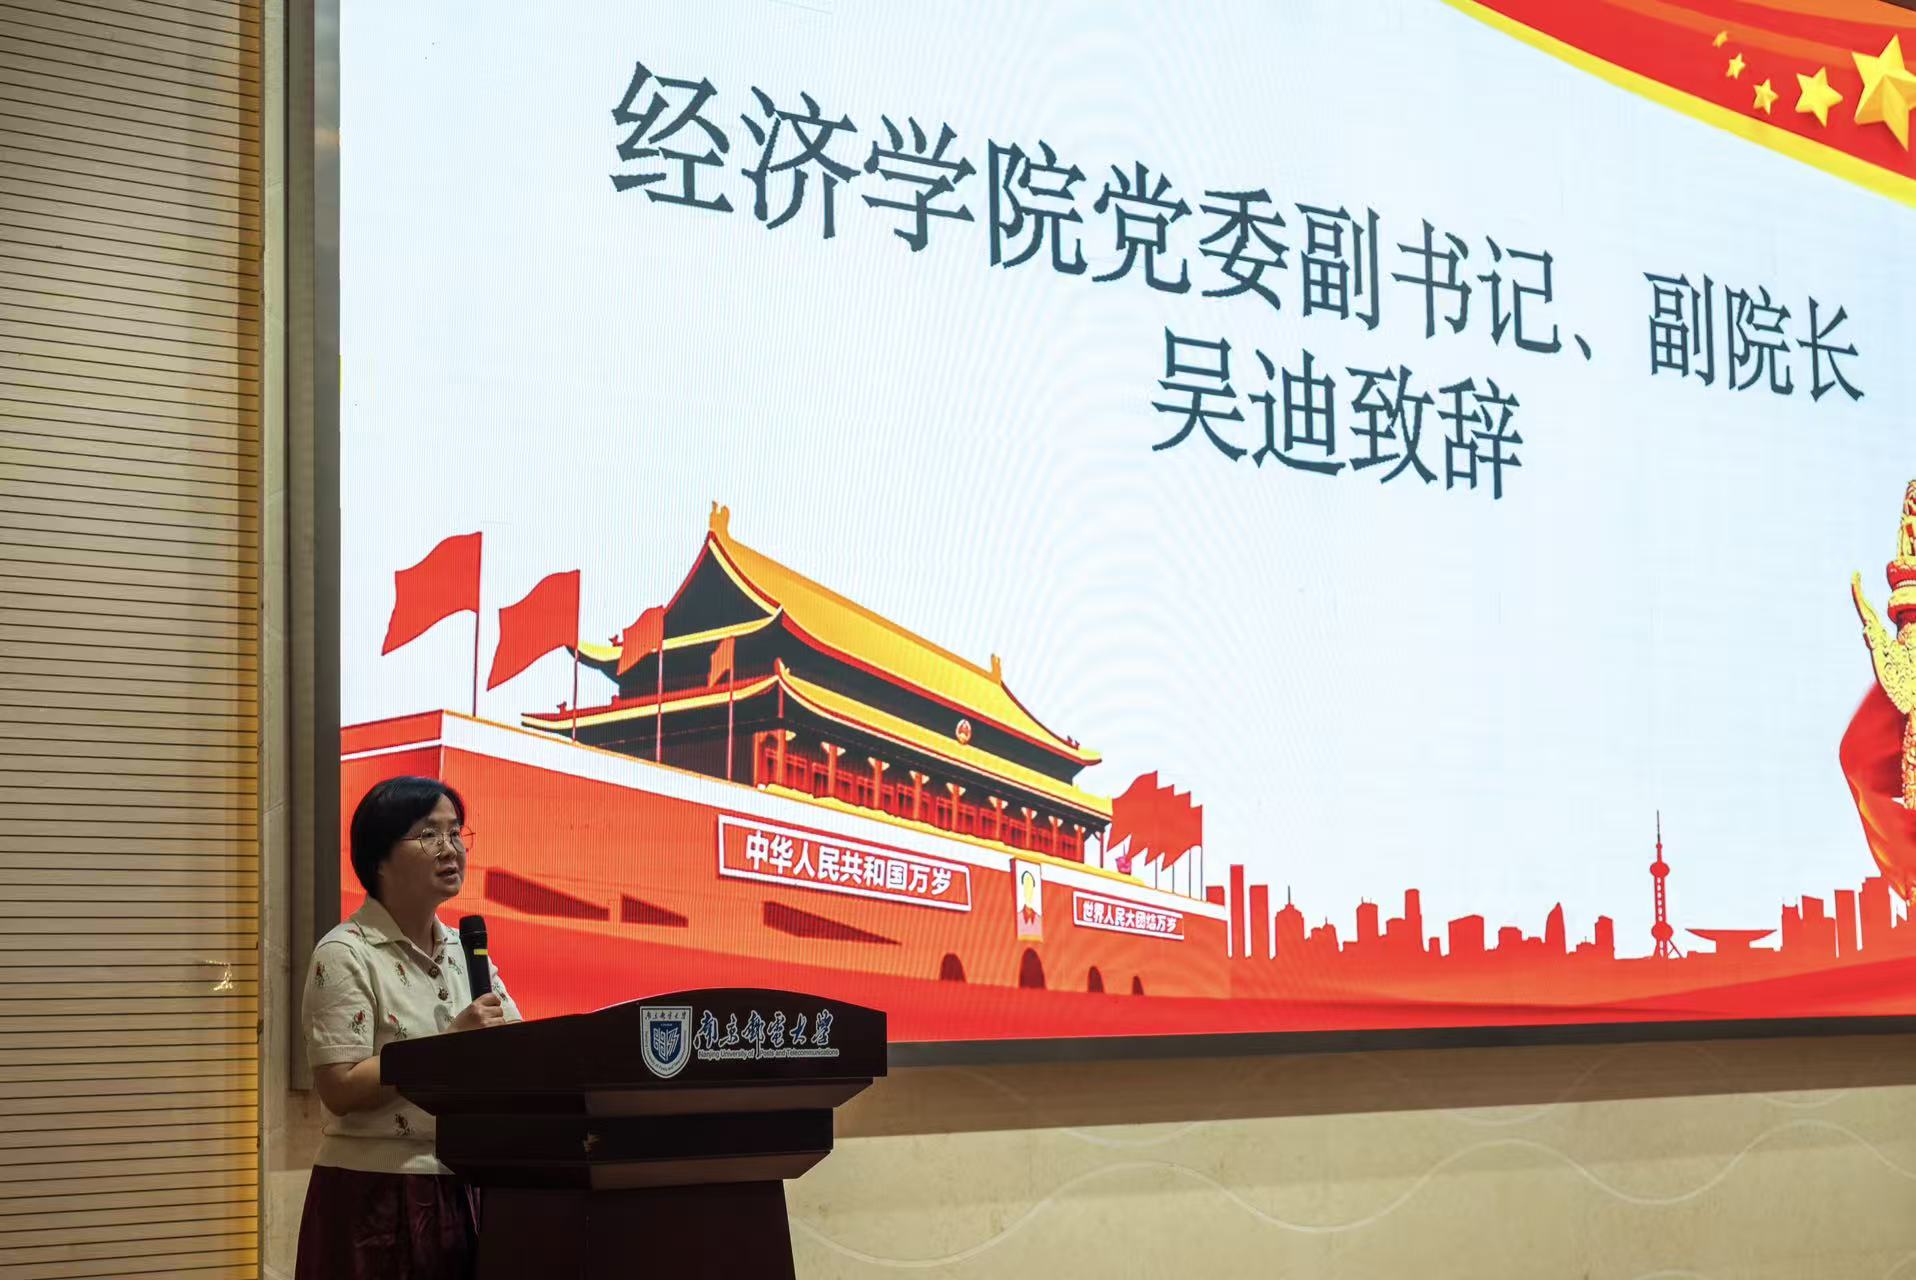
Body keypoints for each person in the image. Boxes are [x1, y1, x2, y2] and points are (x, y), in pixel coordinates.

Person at [295, 776, 521, 1280]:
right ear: (379, 858)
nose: (450, 848)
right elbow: (339, 1087)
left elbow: (519, 1048)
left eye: (456, 832)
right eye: (428, 834)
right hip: (375, 1193)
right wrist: (447, 1048)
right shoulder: (346, 953)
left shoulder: (467, 952)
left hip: (463, 1182)